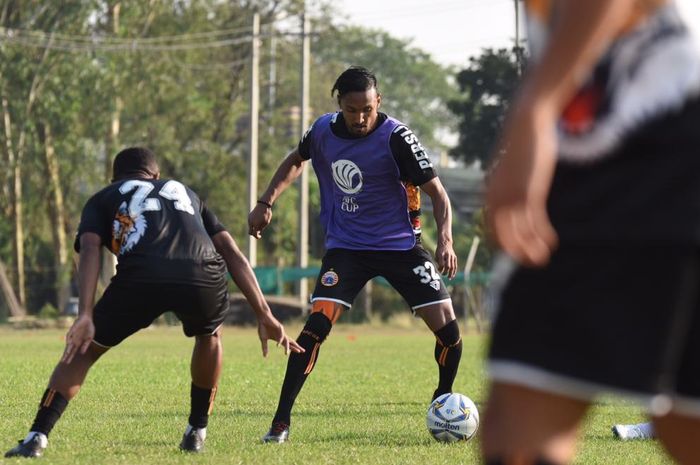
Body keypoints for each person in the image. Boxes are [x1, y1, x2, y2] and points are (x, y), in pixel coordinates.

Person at [481, 0, 700, 464]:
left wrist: (534, 111)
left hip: (640, 145)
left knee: (519, 441)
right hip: (631, 142)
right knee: (685, 425)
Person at [4, 147, 302, 458]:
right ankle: (197, 430)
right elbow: (230, 251)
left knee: (84, 350)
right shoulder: (184, 192)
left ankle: (37, 436)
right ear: (156, 176)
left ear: (114, 178)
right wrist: (264, 313)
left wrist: (85, 315)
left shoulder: (104, 196)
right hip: (202, 272)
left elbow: (90, 248)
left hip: (142, 274)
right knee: (209, 335)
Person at [248, 66, 460, 443]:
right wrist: (266, 201)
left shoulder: (398, 138)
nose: (361, 118)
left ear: (379, 101)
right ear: (339, 104)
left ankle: (443, 398)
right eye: (351, 109)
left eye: (367, 108)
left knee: (449, 330)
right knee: (315, 328)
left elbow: (438, 195)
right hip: (347, 248)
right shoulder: (321, 131)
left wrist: (445, 240)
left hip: (401, 246)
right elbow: (296, 160)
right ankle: (280, 422)